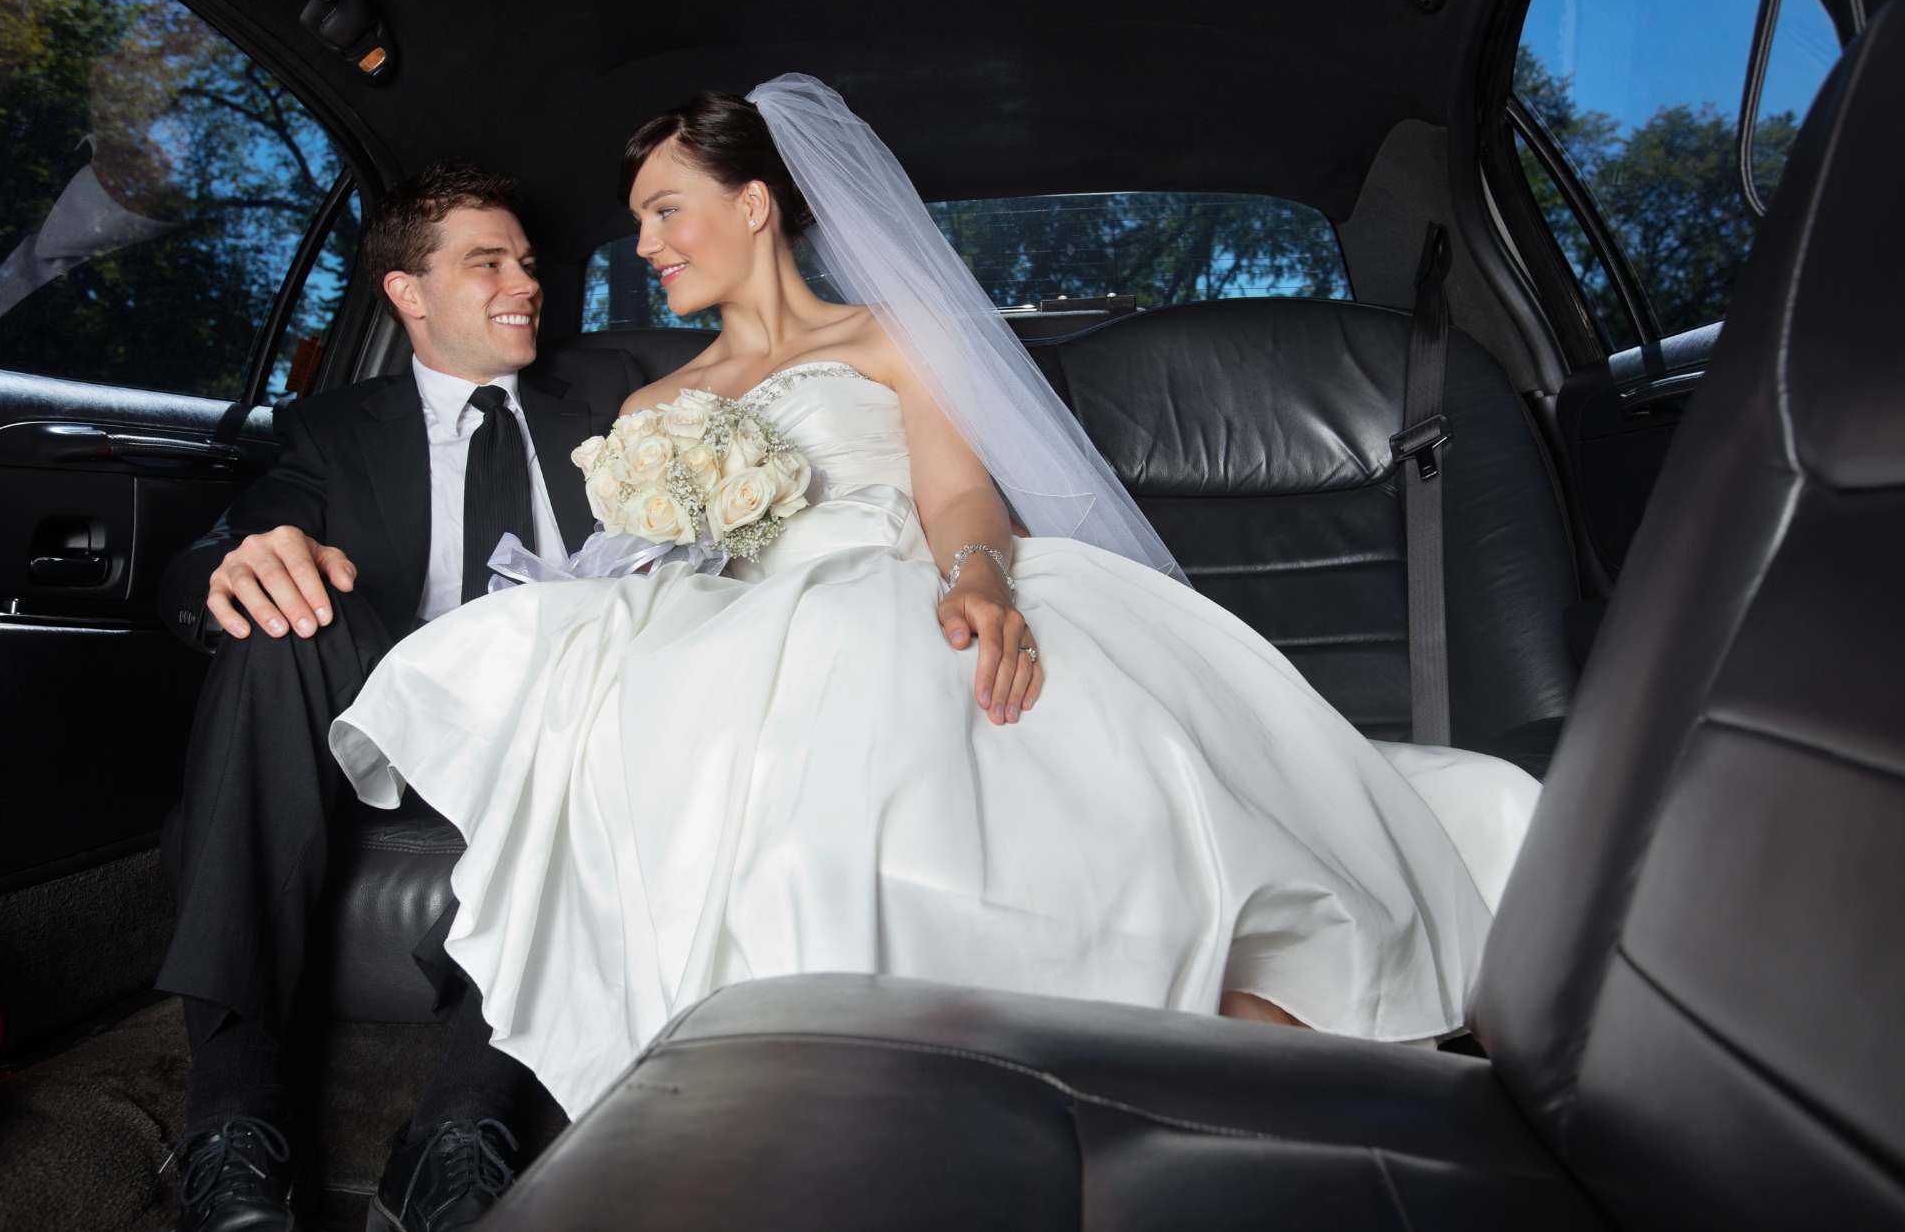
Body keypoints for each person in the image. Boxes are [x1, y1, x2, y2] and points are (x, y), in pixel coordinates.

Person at [330, 77, 1542, 1122]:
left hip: (902, 587)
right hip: (735, 630)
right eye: (638, 222)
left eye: (663, 210)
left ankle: (1258, 1056)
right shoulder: (652, 412)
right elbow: (639, 556)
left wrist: (978, 578)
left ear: (753, 205)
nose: (645, 243)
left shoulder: (888, 339)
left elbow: (962, 496)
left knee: (945, 731)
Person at [155, 162, 607, 1232]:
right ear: (407, 291)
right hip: (381, 711)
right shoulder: (330, 429)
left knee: (616, 683)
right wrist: (231, 571)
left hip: (565, 716)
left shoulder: (610, 408)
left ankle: (461, 1125)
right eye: (487, 261)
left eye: (530, 264)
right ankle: (231, 1115)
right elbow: (227, 544)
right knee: (282, 610)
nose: (525, 283)